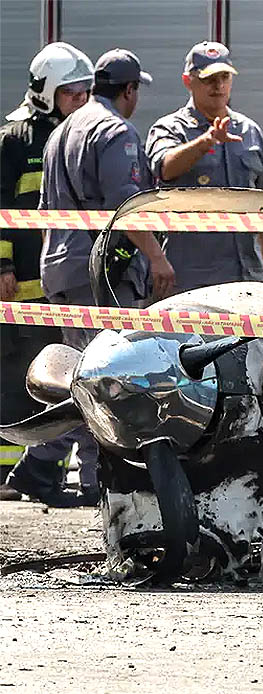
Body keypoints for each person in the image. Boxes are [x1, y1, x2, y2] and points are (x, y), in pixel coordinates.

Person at [5, 49, 176, 507]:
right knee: (111, 378)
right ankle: (77, 474)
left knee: (80, 376)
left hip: (59, 268)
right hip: (103, 273)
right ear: (129, 90)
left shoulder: (61, 132)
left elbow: (44, 211)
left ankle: (63, 473)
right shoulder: (115, 131)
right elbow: (124, 204)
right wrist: (157, 257)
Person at [0, 43, 94, 502]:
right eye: (71, 91)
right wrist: (0, 264)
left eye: (84, 91)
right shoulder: (15, 138)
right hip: (16, 283)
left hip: (53, 284)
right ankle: (5, 472)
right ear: (47, 91)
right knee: (14, 372)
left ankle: (48, 474)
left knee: (52, 375)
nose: (80, 98)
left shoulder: (71, 137)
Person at [146, 41, 263, 292]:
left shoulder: (249, 131)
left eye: (224, 77)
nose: (218, 86)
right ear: (188, 81)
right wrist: (207, 141)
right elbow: (165, 168)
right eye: (208, 79)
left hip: (247, 278)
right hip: (192, 282)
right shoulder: (169, 129)